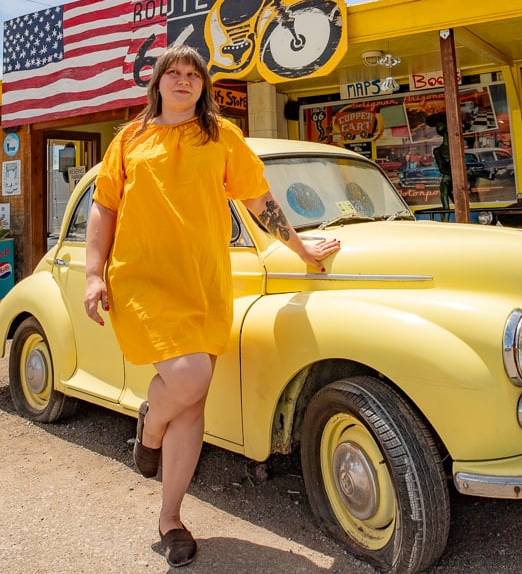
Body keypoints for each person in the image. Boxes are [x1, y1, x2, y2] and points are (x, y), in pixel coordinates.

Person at [81, 45, 339, 567]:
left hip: (204, 281)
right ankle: (150, 424)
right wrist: (92, 273)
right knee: (190, 381)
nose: (183, 80)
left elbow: (259, 200)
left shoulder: (222, 136)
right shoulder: (129, 139)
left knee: (193, 402)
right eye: (172, 73)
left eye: (192, 74)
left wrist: (302, 248)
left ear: (203, 86)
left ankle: (170, 518)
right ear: (157, 84)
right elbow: (104, 208)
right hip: (143, 278)